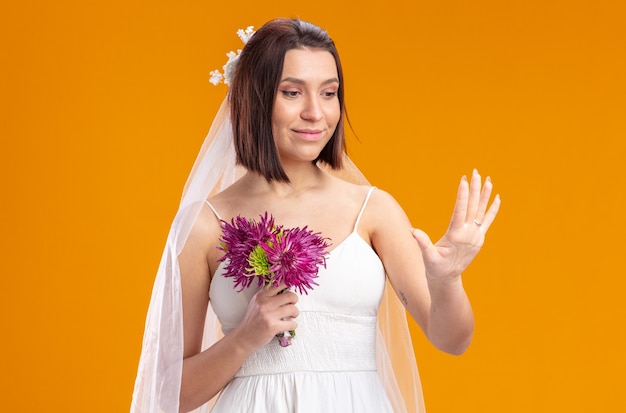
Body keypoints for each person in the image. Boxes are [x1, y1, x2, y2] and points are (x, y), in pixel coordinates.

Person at [131, 18, 500, 413]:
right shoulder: (204, 225)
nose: (315, 112)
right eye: (292, 92)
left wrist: (447, 281)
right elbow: (167, 393)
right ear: (254, 99)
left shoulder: (373, 210)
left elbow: (452, 339)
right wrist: (243, 339)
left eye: (329, 93)